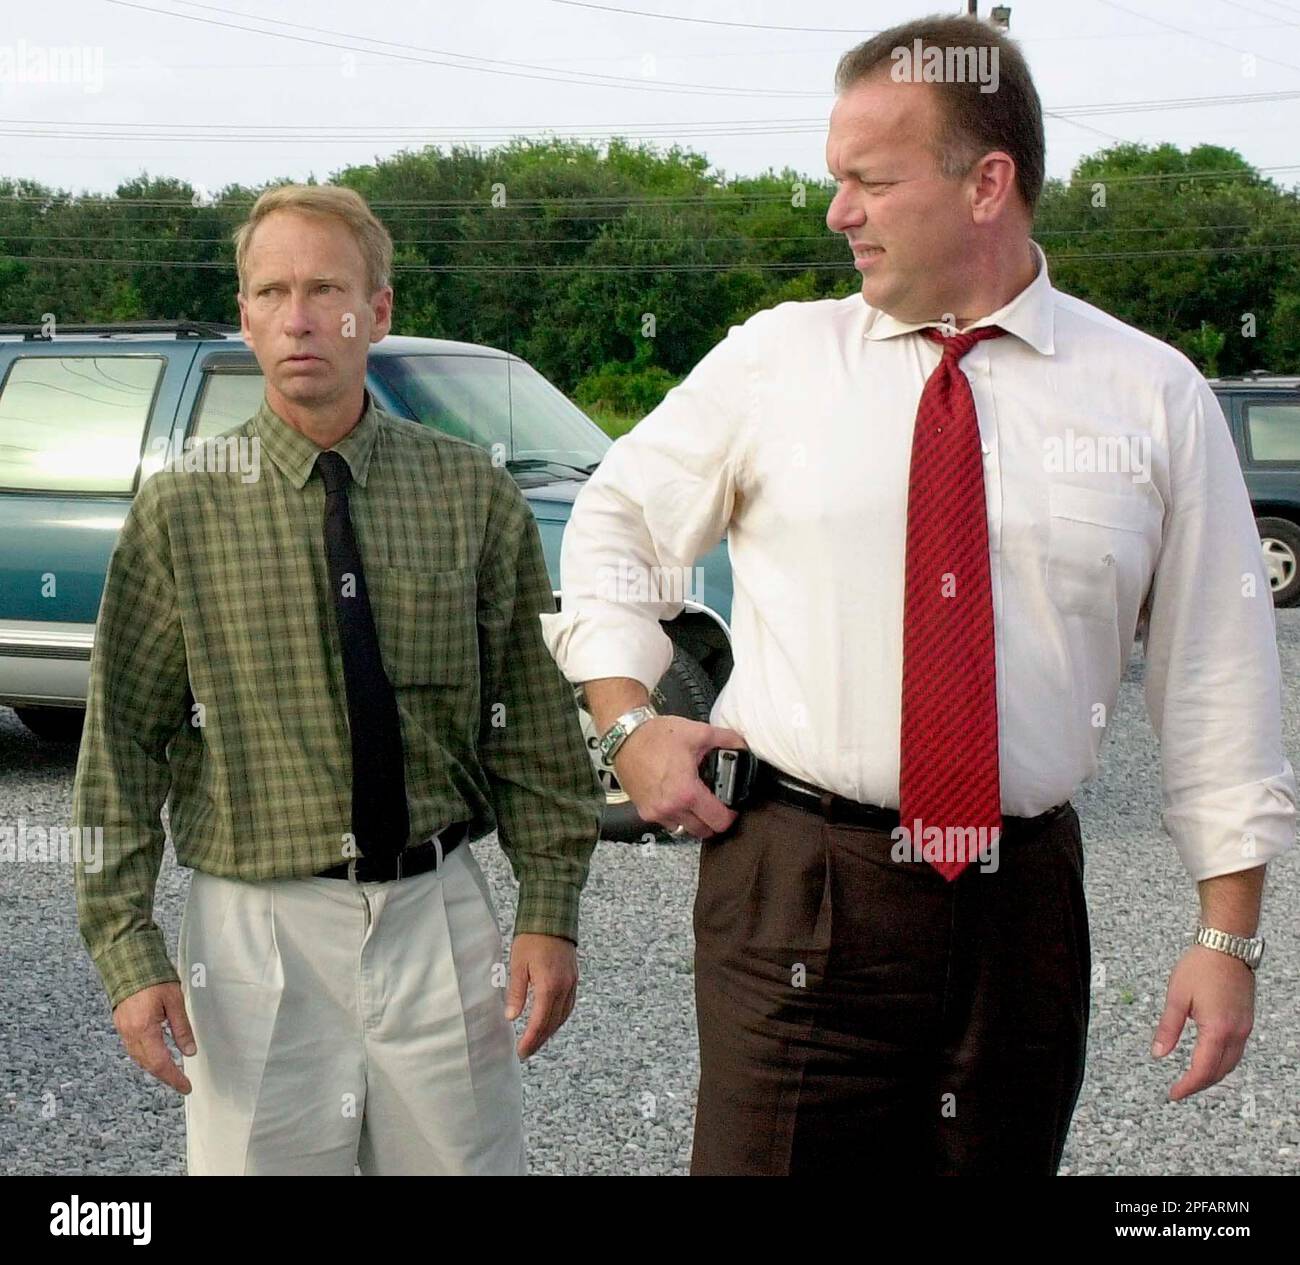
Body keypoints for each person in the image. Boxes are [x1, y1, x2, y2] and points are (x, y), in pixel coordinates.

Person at [539, 14, 1297, 1175]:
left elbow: (1218, 674)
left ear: (987, 182)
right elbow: (615, 523)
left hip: (1021, 914)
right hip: (796, 889)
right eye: (835, 180)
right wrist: (627, 723)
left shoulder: (1151, 397)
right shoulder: (774, 363)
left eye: (869, 181)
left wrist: (1224, 934)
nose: (837, 212)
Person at [71, 183, 603, 1175]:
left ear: (380, 309)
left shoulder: (470, 492)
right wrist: (127, 950)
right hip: (254, 935)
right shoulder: (182, 508)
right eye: (270, 291)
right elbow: (122, 748)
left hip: (436, 921)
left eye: (325, 288)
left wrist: (549, 905)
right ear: (244, 314)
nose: (298, 317)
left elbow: (530, 717)